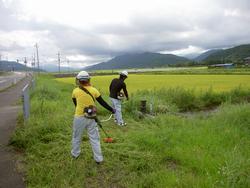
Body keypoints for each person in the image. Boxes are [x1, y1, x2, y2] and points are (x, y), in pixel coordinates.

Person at [71, 71, 115, 163]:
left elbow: (75, 103)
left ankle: (75, 154)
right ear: (88, 79)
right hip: (92, 117)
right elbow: (102, 102)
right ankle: (98, 159)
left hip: (79, 117)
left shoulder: (75, 91)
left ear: (78, 80)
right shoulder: (94, 90)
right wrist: (111, 109)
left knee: (76, 137)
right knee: (94, 138)